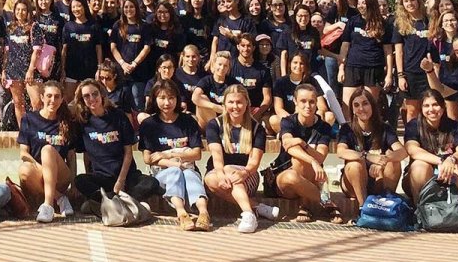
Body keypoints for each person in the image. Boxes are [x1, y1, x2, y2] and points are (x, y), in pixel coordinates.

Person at [71, 79, 157, 208]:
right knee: (80, 181)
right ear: (82, 100)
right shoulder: (83, 122)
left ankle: (108, 203)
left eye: (95, 94)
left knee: (152, 183)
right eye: (86, 96)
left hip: (126, 176)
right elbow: (85, 154)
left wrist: (120, 181)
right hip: (103, 177)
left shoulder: (118, 116)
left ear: (101, 94)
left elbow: (128, 152)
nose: (92, 98)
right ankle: (122, 203)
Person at [204, 83, 277, 233]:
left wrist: (243, 173)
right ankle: (255, 209)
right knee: (210, 179)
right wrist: (220, 173)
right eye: (231, 102)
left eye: (239, 102)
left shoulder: (257, 128)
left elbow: (254, 162)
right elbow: (217, 156)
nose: (235, 106)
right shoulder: (214, 125)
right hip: (220, 175)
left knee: (230, 170)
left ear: (247, 104)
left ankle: (249, 215)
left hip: (248, 175)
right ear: (224, 104)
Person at [138, 79, 208, 230]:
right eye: (162, 98)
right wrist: (174, 163)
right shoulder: (149, 124)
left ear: (177, 98)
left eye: (171, 98)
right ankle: (181, 213)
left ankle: (203, 213)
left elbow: (197, 154)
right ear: (154, 99)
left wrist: (167, 155)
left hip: (187, 168)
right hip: (163, 172)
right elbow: (148, 159)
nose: (167, 102)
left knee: (190, 175)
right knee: (176, 172)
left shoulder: (188, 121)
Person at [403, 89, 458, 219]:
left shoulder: (455, 126)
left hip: (449, 176)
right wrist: (441, 161)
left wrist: (452, 159)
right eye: (426, 106)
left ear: (443, 108)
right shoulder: (414, 125)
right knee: (420, 165)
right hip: (420, 178)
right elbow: (413, 150)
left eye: (435, 105)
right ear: (421, 108)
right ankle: (420, 214)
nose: (431, 109)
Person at [335, 87, 404, 219]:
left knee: (394, 162)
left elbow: (402, 152)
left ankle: (385, 206)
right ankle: (363, 209)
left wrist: (383, 161)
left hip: (377, 179)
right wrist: (366, 156)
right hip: (353, 183)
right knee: (355, 164)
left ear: (372, 105)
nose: (361, 108)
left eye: (365, 103)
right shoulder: (347, 129)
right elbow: (341, 151)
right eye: (356, 105)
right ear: (353, 110)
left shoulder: (384, 128)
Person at [276, 82, 341, 222]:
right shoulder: (288, 122)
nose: (308, 106)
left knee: (301, 160)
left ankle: (305, 205)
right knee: (295, 166)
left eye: (312, 101)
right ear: (295, 102)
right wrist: (312, 161)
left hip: (312, 178)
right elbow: (288, 145)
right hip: (285, 179)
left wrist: (303, 144)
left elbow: (321, 157)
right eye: (303, 101)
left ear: (317, 103)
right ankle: (328, 203)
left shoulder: (323, 127)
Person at [17, 80, 77, 222]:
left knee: (48, 150)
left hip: (60, 176)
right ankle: (59, 198)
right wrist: (44, 170)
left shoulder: (67, 122)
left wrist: (74, 185)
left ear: (62, 99)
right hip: (38, 174)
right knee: (24, 169)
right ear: (42, 97)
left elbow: (71, 157)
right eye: (49, 96)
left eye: (57, 97)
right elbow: (23, 154)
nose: (53, 100)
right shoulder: (29, 119)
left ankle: (48, 206)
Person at [339, 0, 394, 108]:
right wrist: (341, 68)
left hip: (373, 67)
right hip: (353, 66)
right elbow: (345, 46)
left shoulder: (384, 24)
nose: (360, 6)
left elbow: (388, 51)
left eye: (363, 3)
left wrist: (389, 74)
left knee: (370, 106)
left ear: (371, 4)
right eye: (358, 3)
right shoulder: (353, 21)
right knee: (348, 105)